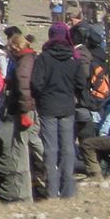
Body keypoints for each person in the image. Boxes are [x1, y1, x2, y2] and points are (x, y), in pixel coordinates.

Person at [31, 25, 85, 199]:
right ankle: (68, 188)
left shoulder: (43, 58)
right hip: (67, 106)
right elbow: (81, 84)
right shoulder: (73, 58)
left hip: (47, 107)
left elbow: (36, 84)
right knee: (68, 147)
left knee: (50, 148)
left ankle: (52, 190)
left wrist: (42, 96)